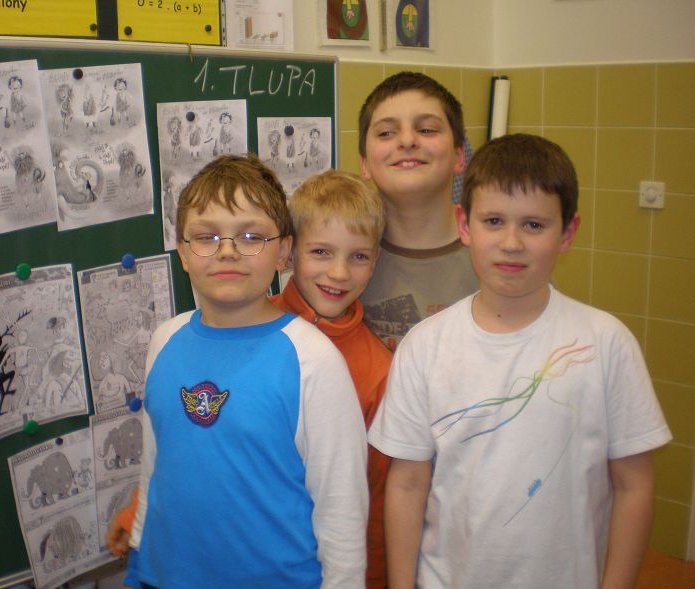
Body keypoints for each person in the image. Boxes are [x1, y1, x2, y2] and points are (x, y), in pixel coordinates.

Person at [368, 133, 672, 589]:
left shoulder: (607, 344)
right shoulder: (425, 345)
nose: (511, 243)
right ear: (464, 225)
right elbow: (408, 483)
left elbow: (634, 486)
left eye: (533, 225)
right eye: (493, 221)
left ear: (567, 233)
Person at [112, 154, 368, 589]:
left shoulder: (312, 360)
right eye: (206, 236)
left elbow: (341, 509)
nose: (227, 250)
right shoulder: (164, 340)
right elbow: (156, 463)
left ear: (283, 252)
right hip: (163, 574)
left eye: (251, 236)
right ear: (183, 253)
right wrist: (139, 547)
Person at [270, 170, 393, 589]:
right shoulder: (247, 328)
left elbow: (374, 499)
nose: (339, 273)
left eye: (358, 256)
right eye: (321, 251)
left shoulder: (378, 372)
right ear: (289, 252)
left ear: (374, 262)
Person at [358, 71, 479, 350]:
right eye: (386, 133)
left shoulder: (499, 251)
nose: (407, 141)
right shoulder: (342, 258)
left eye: (427, 130)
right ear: (365, 163)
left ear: (459, 156)